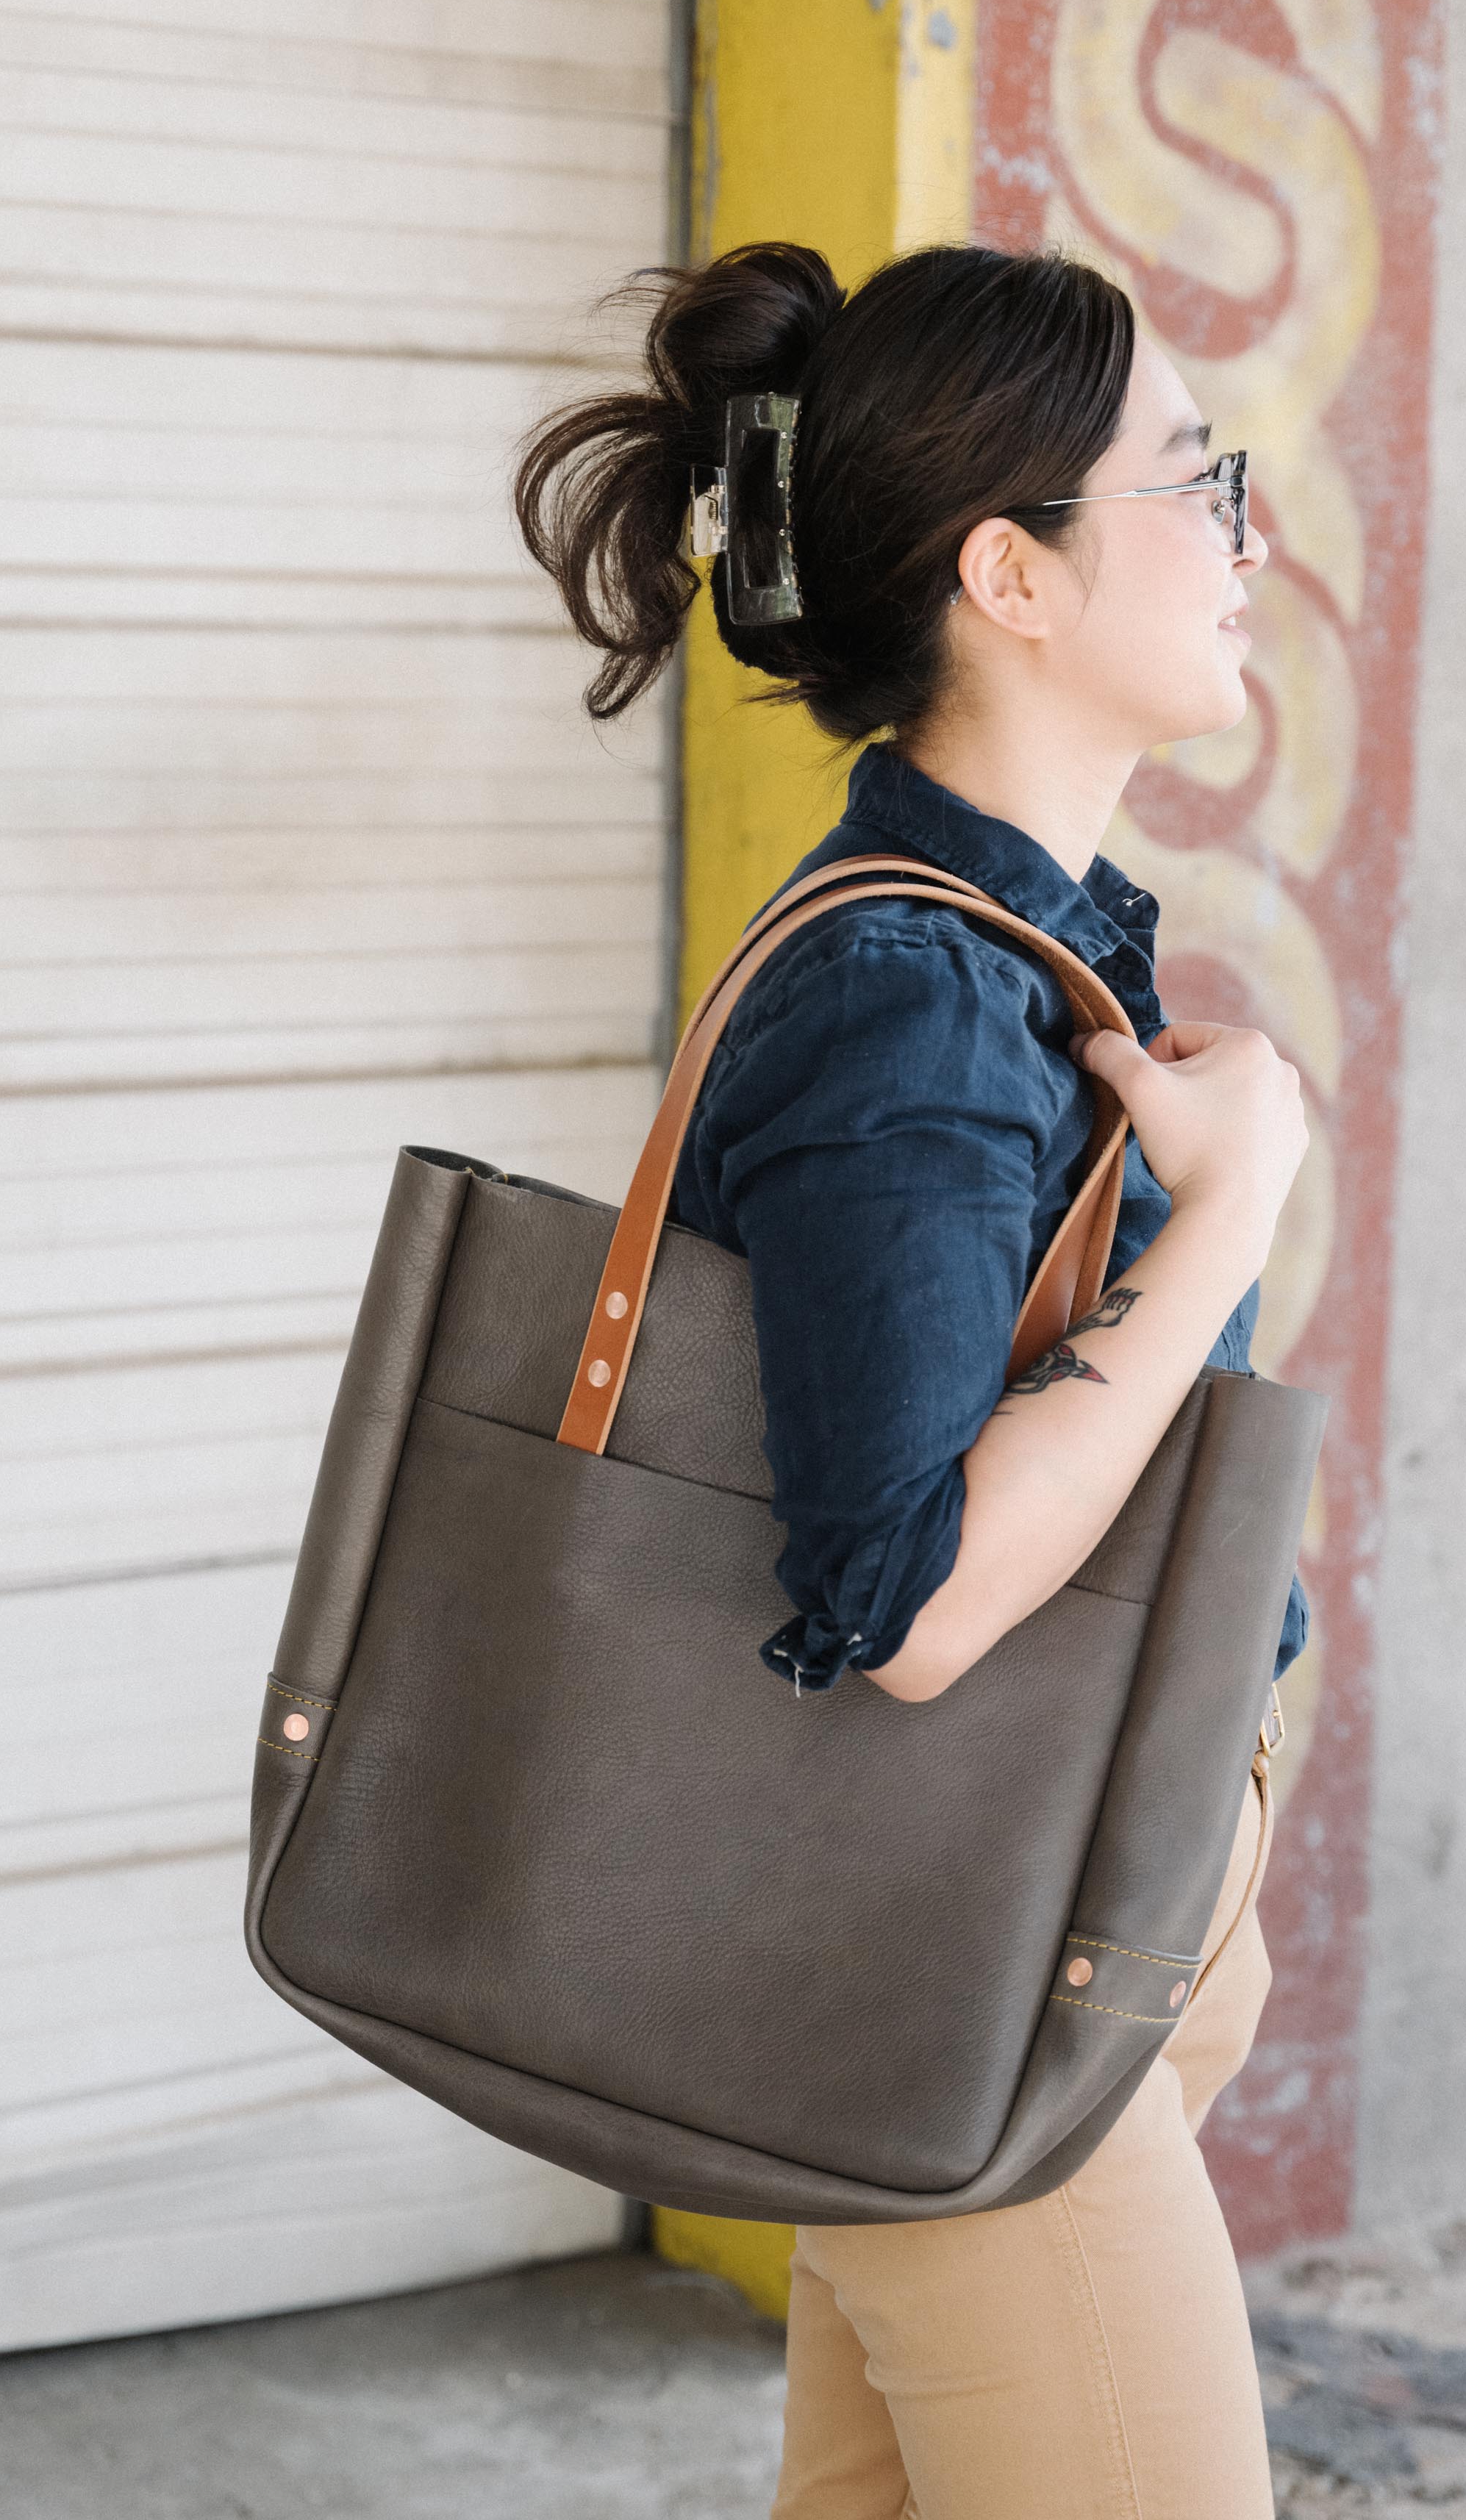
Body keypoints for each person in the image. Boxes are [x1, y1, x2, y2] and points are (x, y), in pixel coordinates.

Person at [517, 240, 1312, 2520]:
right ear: (1011, 574)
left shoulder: (1016, 950)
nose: (1243, 529)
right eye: (1190, 474)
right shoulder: (905, 996)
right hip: (947, 1961)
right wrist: (1234, 1218)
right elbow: (920, 1596)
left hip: (1060, 1926)